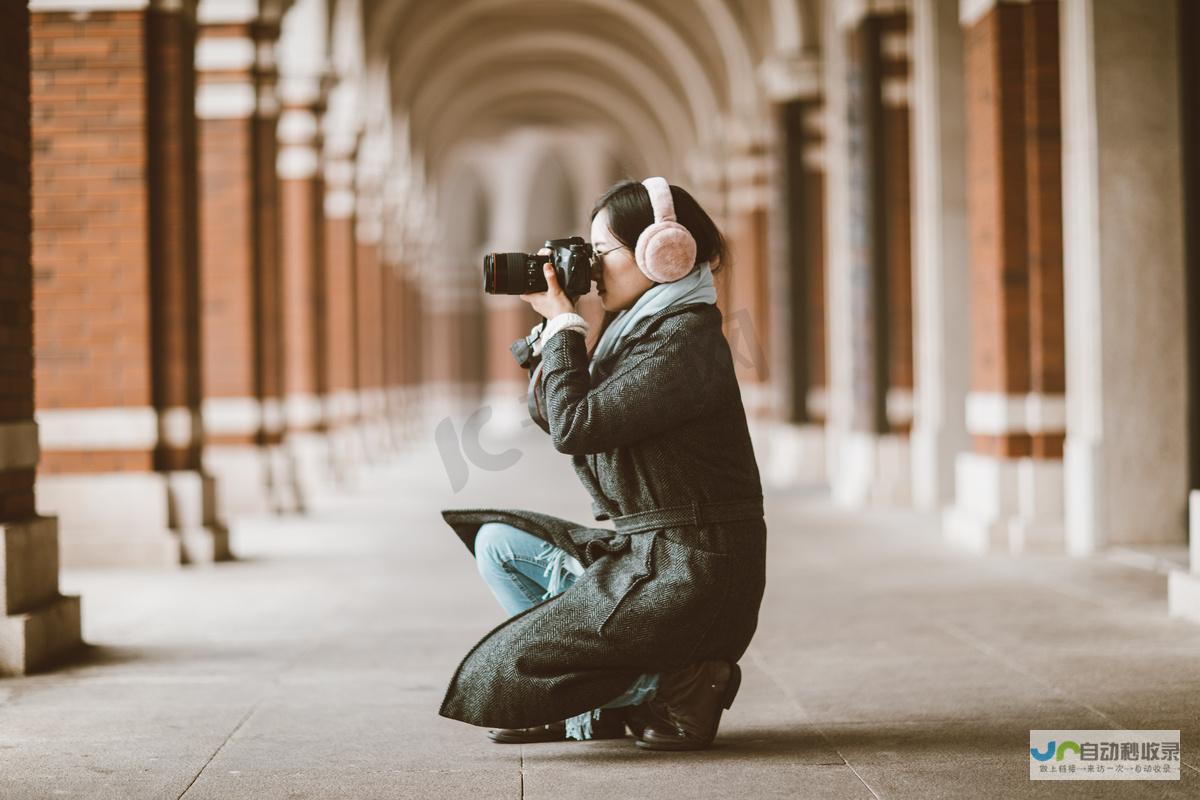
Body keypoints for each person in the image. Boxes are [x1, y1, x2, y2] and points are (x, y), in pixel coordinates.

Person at [437, 177, 767, 751]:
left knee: (511, 673)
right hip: (649, 554)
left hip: (693, 569)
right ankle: (613, 692)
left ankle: (678, 683)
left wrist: (566, 327)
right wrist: (554, 327)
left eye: (601, 253)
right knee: (497, 542)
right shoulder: (640, 332)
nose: (591, 269)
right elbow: (555, 413)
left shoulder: (685, 339)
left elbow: (576, 426)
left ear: (662, 252)